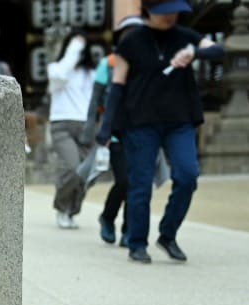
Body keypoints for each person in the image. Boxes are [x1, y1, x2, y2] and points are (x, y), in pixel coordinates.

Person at [96, 0, 222, 263]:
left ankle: (168, 234)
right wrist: (106, 127)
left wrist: (194, 54)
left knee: (188, 175)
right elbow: (117, 86)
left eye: (174, 11)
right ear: (148, 12)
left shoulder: (187, 37)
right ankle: (137, 242)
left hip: (180, 121)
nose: (169, 17)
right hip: (139, 122)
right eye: (163, 12)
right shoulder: (131, 42)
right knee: (140, 184)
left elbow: (220, 50)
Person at [87, 15, 145, 247]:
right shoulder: (109, 63)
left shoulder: (149, 65)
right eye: (127, 32)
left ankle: (129, 230)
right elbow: (96, 100)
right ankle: (108, 217)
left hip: (142, 132)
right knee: (124, 181)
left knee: (138, 183)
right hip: (115, 132)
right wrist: (94, 129)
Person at [48, 31, 97, 229]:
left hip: (86, 127)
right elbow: (61, 74)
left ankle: (71, 210)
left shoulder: (91, 73)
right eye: (75, 45)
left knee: (86, 173)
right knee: (71, 167)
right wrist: (74, 47)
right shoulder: (57, 69)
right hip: (61, 125)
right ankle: (61, 207)